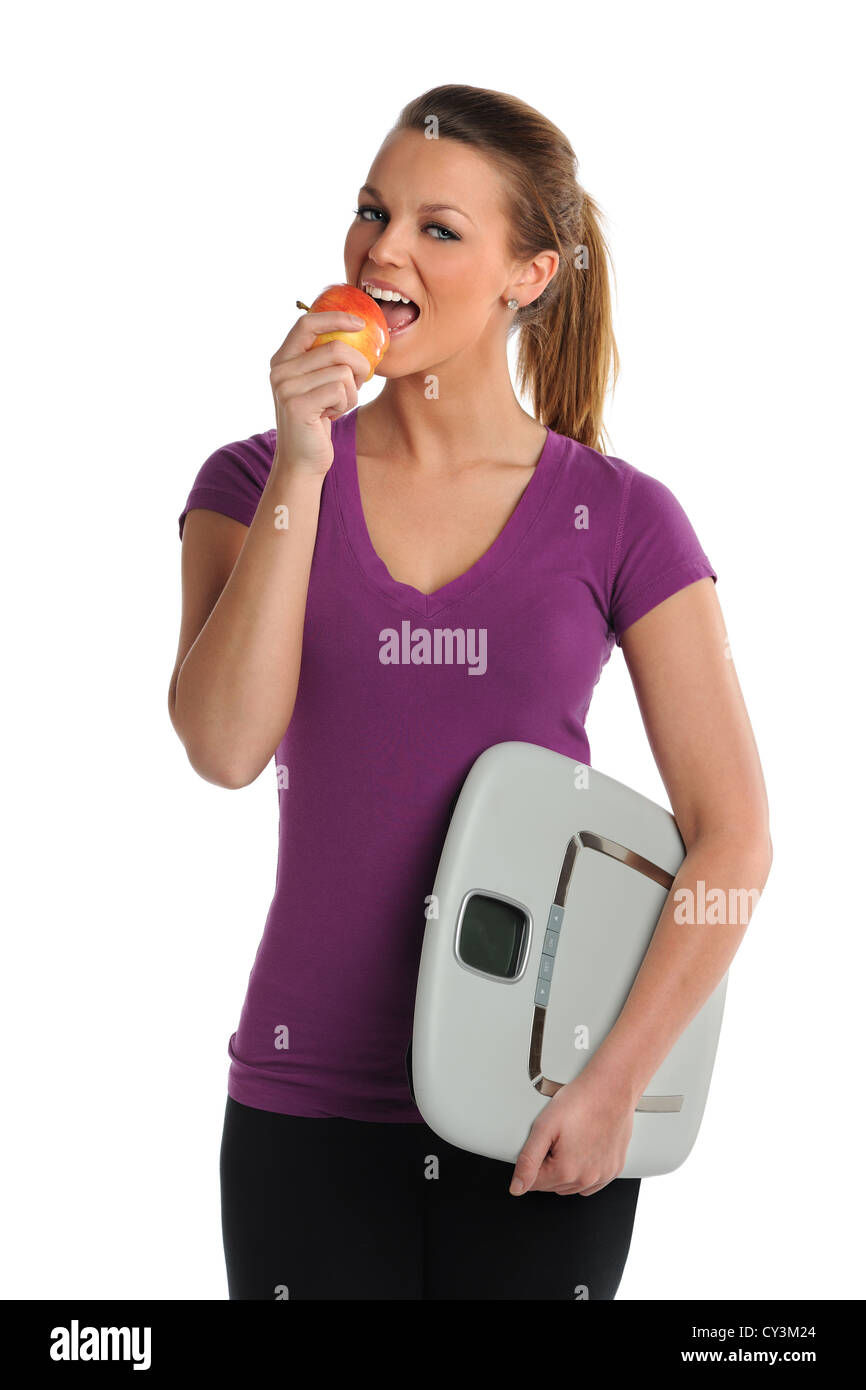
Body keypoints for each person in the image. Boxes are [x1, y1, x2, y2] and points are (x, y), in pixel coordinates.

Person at [169, 84, 772, 1301]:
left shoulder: (622, 518)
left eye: (438, 229)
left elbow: (734, 838)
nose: (381, 250)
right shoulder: (249, 481)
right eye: (370, 211)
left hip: (540, 1113)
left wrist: (612, 1088)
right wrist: (302, 460)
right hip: (306, 1108)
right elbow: (226, 747)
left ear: (528, 274)